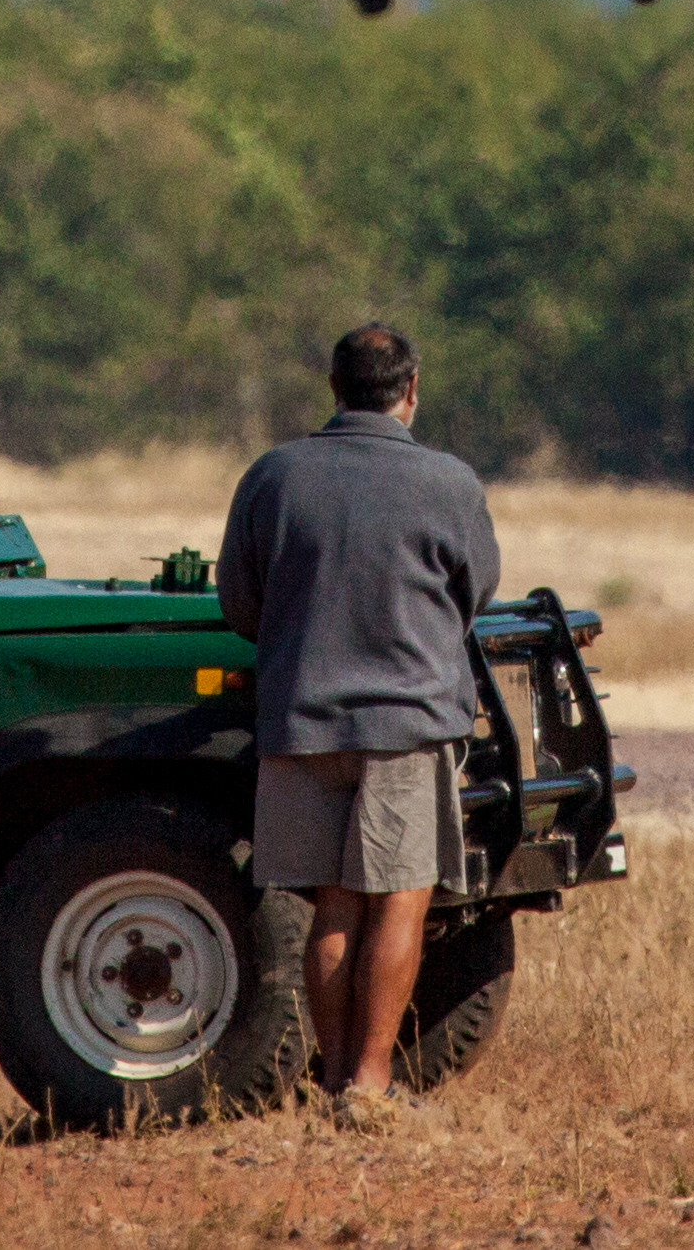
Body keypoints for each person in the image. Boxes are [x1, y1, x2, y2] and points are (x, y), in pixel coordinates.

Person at [218, 321, 497, 1128]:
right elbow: (475, 591)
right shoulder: (448, 481)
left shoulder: (273, 475)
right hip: (406, 725)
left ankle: (335, 1076)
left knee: (334, 905)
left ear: (334, 389)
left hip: (301, 723)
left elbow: (238, 602)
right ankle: (369, 1091)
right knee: (399, 903)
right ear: (410, 390)